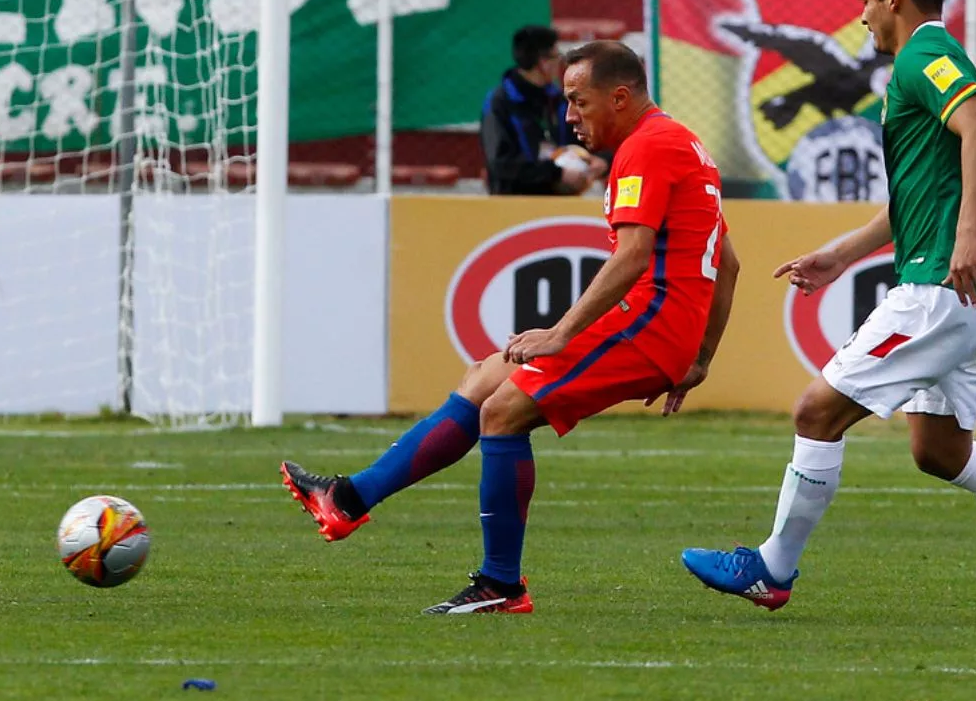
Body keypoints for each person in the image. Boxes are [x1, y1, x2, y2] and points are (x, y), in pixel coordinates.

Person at [681, 0, 976, 626]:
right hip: (962, 294)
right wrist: (838, 254)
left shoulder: (927, 53)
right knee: (938, 450)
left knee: (815, 412)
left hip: (942, 291)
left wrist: (968, 233)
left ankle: (773, 568)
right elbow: (913, 200)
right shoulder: (912, 71)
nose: (860, 15)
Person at [282, 40, 740, 614]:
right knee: (481, 382)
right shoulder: (680, 142)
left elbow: (632, 256)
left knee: (502, 412)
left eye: (578, 101)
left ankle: (501, 585)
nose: (568, 115)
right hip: (661, 327)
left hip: (646, 322)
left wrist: (563, 333)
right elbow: (728, 261)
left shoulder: (645, 148)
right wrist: (699, 357)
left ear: (619, 97)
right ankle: (346, 498)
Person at [480, 25, 608, 196]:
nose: (561, 64)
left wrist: (603, 161)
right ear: (543, 63)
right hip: (513, 202)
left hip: (561, 202)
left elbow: (588, 139)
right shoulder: (499, 103)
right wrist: (556, 173)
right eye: (557, 57)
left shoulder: (559, 101)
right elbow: (501, 163)